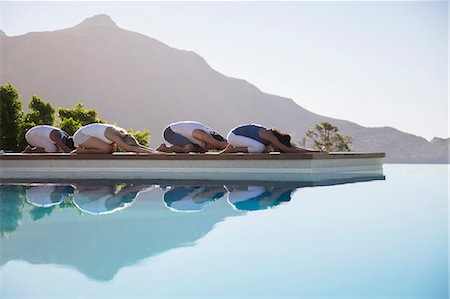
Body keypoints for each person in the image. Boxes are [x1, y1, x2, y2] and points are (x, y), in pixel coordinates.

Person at [222, 124, 319, 153]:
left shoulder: (269, 138)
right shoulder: (270, 136)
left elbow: (291, 147)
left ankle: (233, 148)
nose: (277, 149)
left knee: (262, 148)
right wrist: (312, 152)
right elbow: (287, 149)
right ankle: (232, 149)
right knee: (259, 148)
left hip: (238, 137)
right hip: (233, 136)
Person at [73, 123, 154, 154]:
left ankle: (85, 149)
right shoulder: (114, 135)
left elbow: (137, 146)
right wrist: (152, 153)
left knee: (111, 149)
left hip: (90, 135)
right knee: (106, 149)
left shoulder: (123, 134)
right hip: (81, 136)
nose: (123, 148)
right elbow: (129, 148)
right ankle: (81, 150)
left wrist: (153, 151)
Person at [156, 121, 228, 153]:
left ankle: (174, 147)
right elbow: (220, 144)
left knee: (201, 150)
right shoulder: (203, 134)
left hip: (181, 133)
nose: (211, 148)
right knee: (188, 148)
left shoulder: (209, 135)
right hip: (171, 131)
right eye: (213, 147)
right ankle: (165, 148)